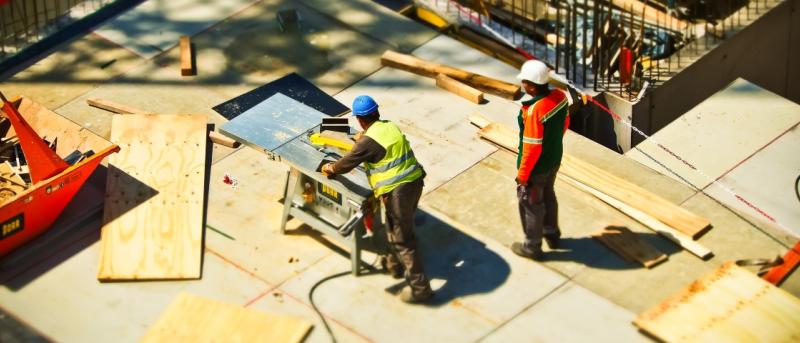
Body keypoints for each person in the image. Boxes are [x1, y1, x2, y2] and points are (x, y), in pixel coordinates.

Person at [321, 95, 434, 304]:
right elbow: (376, 143)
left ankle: (421, 288)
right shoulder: (388, 126)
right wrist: (362, 139)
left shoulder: (367, 142)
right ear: (376, 112)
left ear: (360, 120)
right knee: (397, 227)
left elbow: (345, 164)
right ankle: (395, 264)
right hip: (415, 182)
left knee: (403, 239)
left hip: (397, 192)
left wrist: (330, 168)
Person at [512, 60, 570, 261]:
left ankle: (532, 247)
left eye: (524, 82)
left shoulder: (535, 109)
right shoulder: (560, 97)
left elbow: (532, 147)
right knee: (549, 195)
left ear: (532, 85)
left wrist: (523, 175)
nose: (523, 85)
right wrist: (552, 146)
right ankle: (552, 234)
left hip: (536, 168)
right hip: (554, 159)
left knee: (531, 204)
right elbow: (565, 123)